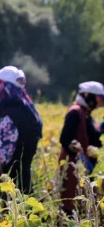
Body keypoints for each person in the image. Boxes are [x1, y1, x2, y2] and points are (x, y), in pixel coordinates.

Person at [0, 66, 43, 195]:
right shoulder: (29, 111)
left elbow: (1, 157)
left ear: (1, 88)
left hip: (5, 192)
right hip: (21, 185)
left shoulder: (10, 116)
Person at [59, 81, 104, 215]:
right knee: (70, 201)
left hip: (82, 165)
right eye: (97, 99)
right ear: (88, 96)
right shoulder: (75, 112)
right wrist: (74, 147)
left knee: (82, 201)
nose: (99, 103)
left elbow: (92, 135)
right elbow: (65, 138)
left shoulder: (85, 112)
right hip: (72, 164)